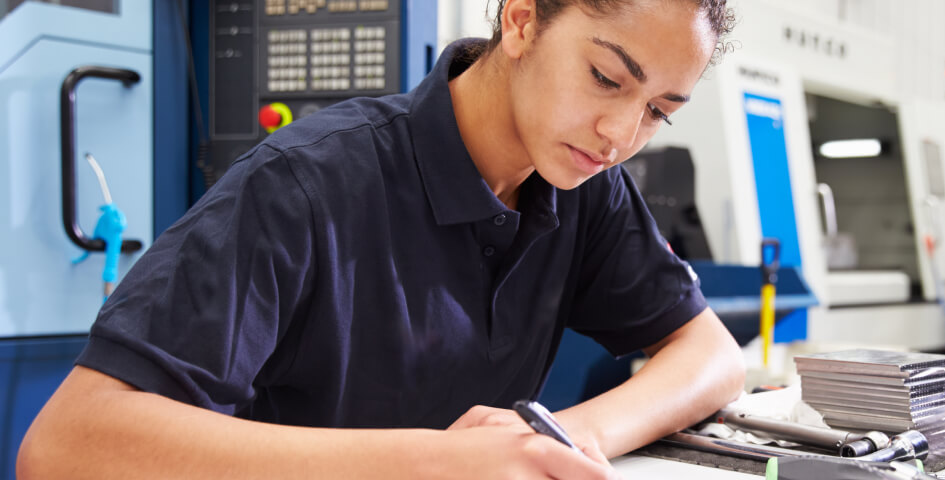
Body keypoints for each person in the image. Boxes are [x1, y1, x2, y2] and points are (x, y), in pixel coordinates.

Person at [17, 0, 745, 478]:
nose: (620, 136)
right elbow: (66, 444)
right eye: (604, 78)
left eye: (657, 112)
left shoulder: (586, 188)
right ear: (522, 19)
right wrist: (435, 463)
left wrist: (558, 437)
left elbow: (709, 355)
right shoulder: (307, 183)